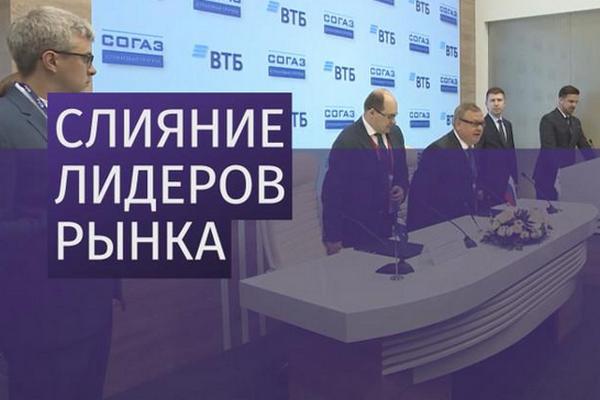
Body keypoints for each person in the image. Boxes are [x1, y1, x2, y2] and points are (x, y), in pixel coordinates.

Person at [0, 7, 121, 400]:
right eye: (85, 58)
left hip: (90, 308)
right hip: (43, 323)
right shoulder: (6, 123)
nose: (92, 69)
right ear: (51, 60)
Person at [321, 88, 409, 255]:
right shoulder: (348, 141)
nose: (393, 122)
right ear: (371, 113)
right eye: (389, 116)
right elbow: (332, 193)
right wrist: (333, 237)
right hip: (358, 230)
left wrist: (401, 188)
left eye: (395, 116)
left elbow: (401, 171)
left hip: (388, 225)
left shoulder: (396, 133)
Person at [407, 103, 484, 231]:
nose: (479, 128)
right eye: (474, 124)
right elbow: (420, 199)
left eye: (481, 124)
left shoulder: (472, 147)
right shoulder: (437, 151)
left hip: (466, 223)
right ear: (458, 124)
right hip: (441, 227)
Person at [533, 85, 595, 200]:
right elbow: (549, 150)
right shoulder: (548, 120)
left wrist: (596, 163)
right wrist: (561, 173)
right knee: (547, 210)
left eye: (576, 102)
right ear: (561, 100)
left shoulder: (576, 122)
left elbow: (584, 146)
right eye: (571, 101)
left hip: (567, 177)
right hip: (547, 176)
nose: (574, 105)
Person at [477, 87, 518, 207]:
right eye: (492, 100)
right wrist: (479, 186)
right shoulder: (481, 126)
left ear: (504, 103)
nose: (496, 104)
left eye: (499, 100)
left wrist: (515, 179)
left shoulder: (508, 125)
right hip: (489, 184)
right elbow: (477, 157)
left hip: (507, 183)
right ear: (486, 104)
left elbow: (511, 153)